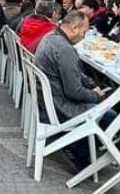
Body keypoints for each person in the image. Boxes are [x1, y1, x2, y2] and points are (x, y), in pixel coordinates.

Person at [34, 10, 114, 170]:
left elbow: (75, 73)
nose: (84, 36)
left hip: (47, 100)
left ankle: (78, 144)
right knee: (109, 115)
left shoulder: (50, 38)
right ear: (74, 28)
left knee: (102, 106)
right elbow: (74, 91)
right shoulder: (65, 50)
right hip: (59, 107)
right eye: (84, 31)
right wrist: (97, 97)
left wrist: (91, 85)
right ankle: (78, 152)